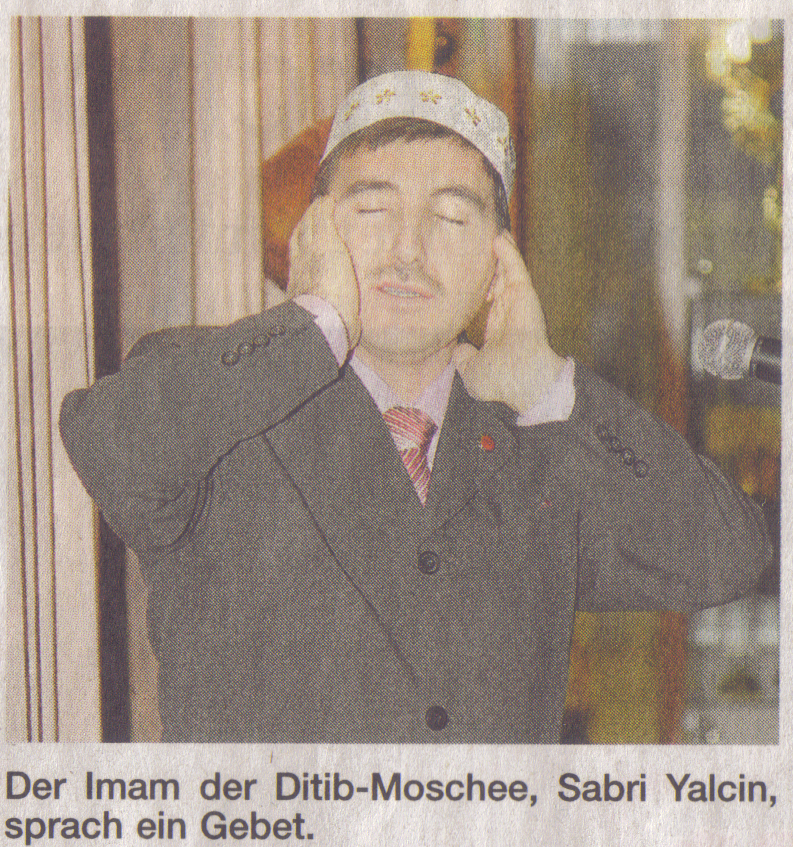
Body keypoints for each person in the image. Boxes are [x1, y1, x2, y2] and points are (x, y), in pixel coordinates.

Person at [60, 71, 770, 743]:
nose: (408, 249)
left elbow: (726, 556)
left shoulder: (539, 450)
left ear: (497, 263)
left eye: (452, 218)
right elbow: (114, 449)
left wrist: (546, 385)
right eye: (372, 210)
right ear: (315, 232)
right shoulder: (225, 403)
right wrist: (312, 324)